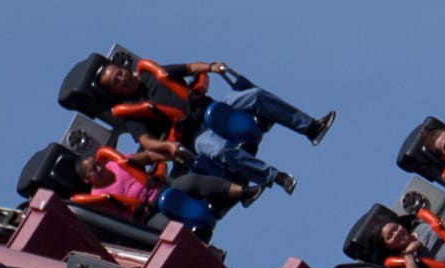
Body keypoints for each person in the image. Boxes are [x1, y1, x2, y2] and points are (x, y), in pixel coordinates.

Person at [84, 56, 333, 194]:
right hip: (194, 135)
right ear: (114, 91)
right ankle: (275, 177)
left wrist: (213, 67)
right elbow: (146, 141)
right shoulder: (131, 113)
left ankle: (311, 127)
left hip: (213, 108)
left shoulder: (154, 74)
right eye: (115, 81)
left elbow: (190, 67)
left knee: (254, 95)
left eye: (118, 72)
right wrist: (168, 149)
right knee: (219, 149)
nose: (121, 78)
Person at [74, 148, 258, 226]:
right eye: (93, 170)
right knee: (169, 228)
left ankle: (243, 192)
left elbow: (146, 157)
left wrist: (170, 154)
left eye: (97, 164)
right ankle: (209, 250)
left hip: (162, 189)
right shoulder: (98, 198)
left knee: (192, 180)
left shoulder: (115, 164)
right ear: (87, 180)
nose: (99, 169)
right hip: (149, 213)